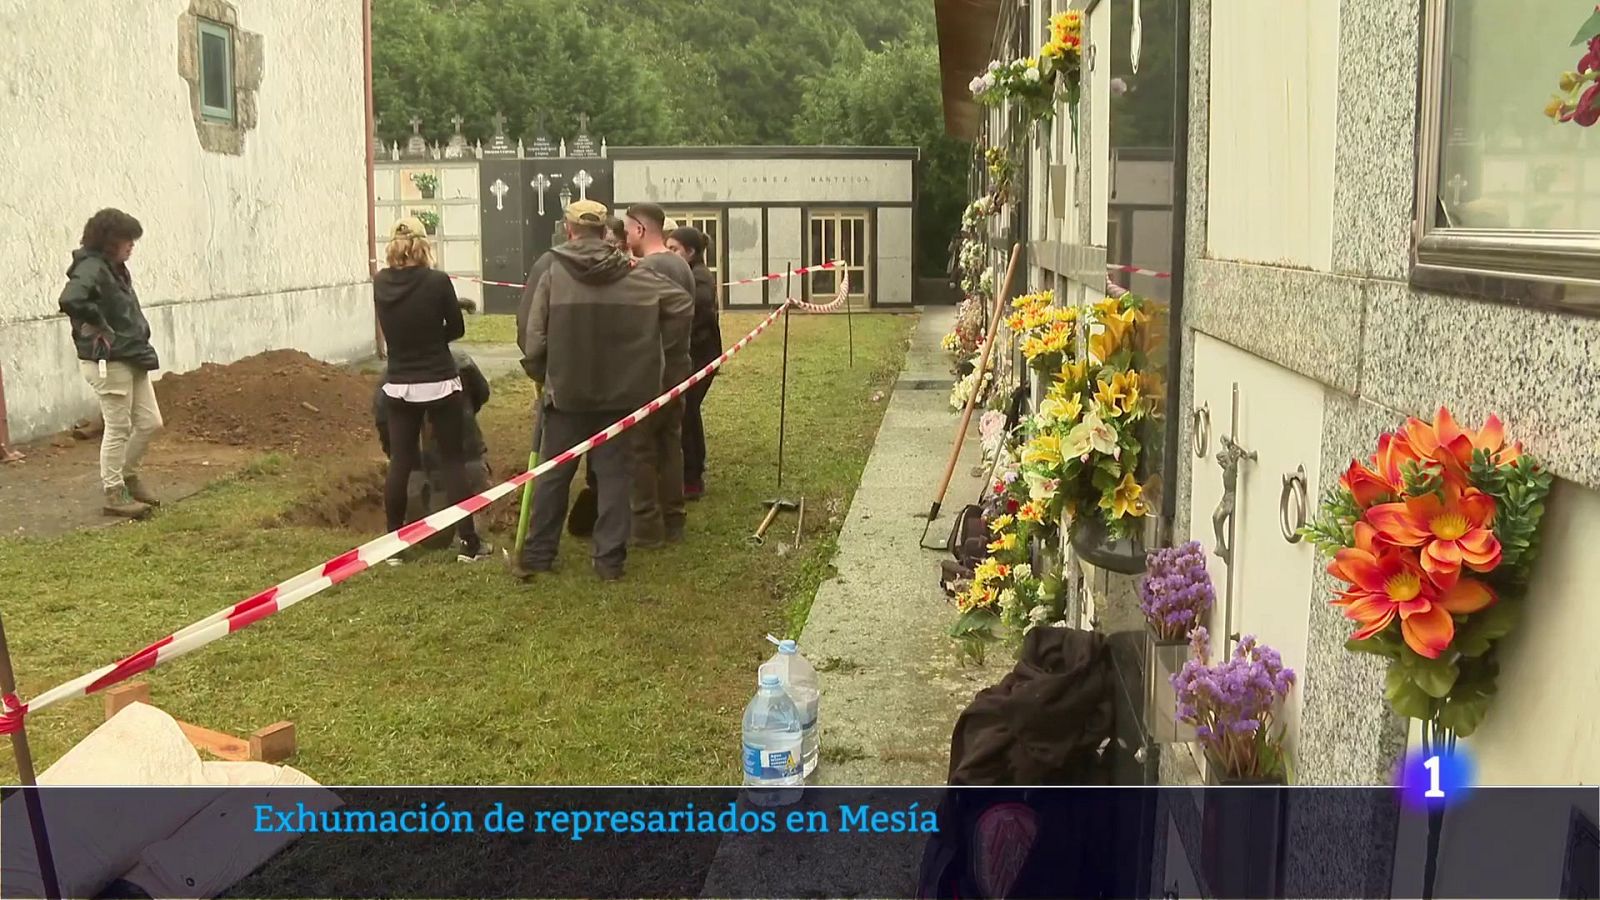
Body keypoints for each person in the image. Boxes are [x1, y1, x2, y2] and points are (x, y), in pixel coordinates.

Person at [517, 200, 690, 581]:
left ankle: (539, 554)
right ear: (605, 231)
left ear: (569, 229)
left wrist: (544, 372)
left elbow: (533, 335)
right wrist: (650, 355)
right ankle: (609, 561)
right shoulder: (633, 272)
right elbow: (681, 304)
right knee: (614, 478)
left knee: (553, 476)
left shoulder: (552, 270)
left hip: (566, 395)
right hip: (620, 396)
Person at [372, 216, 491, 563]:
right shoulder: (437, 281)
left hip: (399, 383)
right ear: (424, 245)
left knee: (400, 462)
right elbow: (456, 328)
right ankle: (468, 543)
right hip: (439, 379)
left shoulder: (381, 282)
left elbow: (391, 329)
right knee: (453, 460)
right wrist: (432, 342)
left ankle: (393, 547)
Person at [58, 208, 164, 519]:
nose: (132, 245)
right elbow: (71, 299)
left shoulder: (115, 268)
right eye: (126, 239)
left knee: (150, 423)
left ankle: (127, 476)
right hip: (110, 360)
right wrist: (99, 323)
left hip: (132, 355)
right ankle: (115, 493)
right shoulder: (91, 267)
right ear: (108, 240)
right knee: (118, 427)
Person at [373, 331, 492, 551]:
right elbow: (482, 394)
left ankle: (398, 542)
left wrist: (396, 454)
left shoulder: (392, 374)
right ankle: (468, 537)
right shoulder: (461, 362)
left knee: (427, 532)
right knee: (465, 479)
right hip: (463, 458)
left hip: (416, 468)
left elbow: (382, 419)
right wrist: (462, 415)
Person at [624, 203, 695, 546]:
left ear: (640, 229)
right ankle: (674, 518)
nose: (625, 237)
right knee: (670, 443)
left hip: (650, 371)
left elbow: (636, 323)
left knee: (640, 448)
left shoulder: (646, 269)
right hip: (680, 366)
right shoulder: (681, 265)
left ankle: (647, 528)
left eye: (627, 229)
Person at [667, 226, 722, 500]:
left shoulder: (698, 278)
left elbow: (697, 314)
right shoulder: (690, 273)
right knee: (688, 413)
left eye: (673, 249)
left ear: (689, 252)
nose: (668, 253)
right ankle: (691, 471)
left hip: (701, 357)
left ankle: (692, 478)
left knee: (687, 414)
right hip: (696, 355)